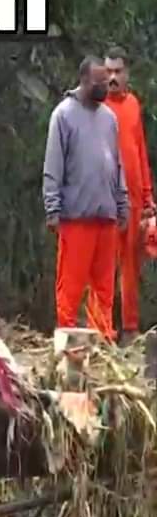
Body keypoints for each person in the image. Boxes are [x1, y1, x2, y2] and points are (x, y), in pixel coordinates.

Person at [43, 56, 130, 341]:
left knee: (105, 288)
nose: (106, 86)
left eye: (107, 81)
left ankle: (102, 341)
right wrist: (52, 209)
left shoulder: (109, 118)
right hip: (76, 216)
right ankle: (67, 344)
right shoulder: (63, 115)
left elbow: (117, 165)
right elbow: (53, 166)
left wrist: (122, 202)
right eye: (99, 81)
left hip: (106, 216)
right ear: (83, 80)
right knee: (70, 287)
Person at [105, 46, 153, 345]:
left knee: (131, 267)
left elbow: (140, 150)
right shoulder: (97, 107)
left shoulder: (134, 104)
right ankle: (104, 329)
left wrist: (148, 197)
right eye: (108, 71)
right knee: (106, 265)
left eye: (117, 71)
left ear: (126, 74)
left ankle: (130, 329)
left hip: (135, 200)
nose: (112, 77)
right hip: (108, 198)